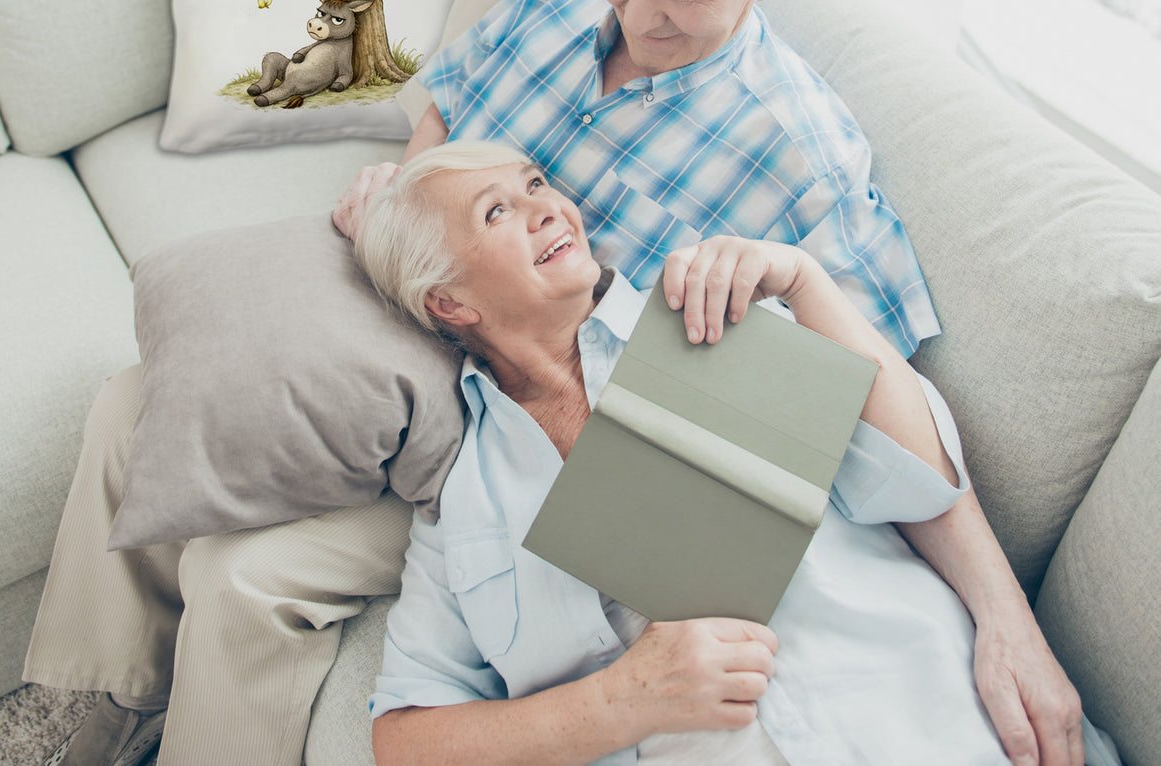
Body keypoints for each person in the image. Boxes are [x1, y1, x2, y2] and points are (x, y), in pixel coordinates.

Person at [26, 0, 1078, 766]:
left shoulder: (800, 159)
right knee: (139, 399)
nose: (634, 9)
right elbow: (443, 111)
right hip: (433, 298)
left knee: (247, 575)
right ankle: (106, 702)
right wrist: (405, 197)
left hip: (525, 404)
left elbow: (874, 407)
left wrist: (1004, 615)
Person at [354, 140, 1107, 766]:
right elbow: (405, 739)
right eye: (497, 211)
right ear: (449, 302)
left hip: (932, 719)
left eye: (536, 184)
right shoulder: (464, 503)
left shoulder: (709, 314)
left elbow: (919, 481)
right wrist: (621, 701)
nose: (548, 207)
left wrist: (806, 283)